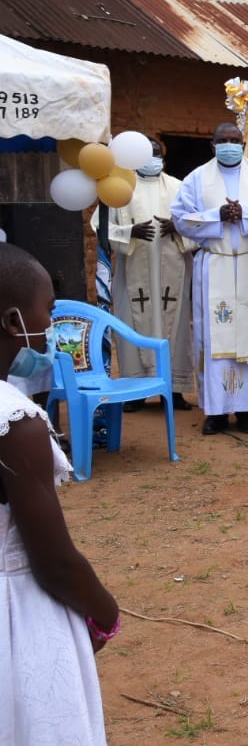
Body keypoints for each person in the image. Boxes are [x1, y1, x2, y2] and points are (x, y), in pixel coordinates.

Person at [0, 242, 118, 745]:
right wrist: (105, 612)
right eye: (48, 311)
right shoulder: (16, 423)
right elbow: (51, 561)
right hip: (17, 614)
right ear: (13, 321)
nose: (52, 326)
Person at [171, 122, 248, 435]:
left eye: (235, 140)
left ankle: (246, 411)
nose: (229, 144)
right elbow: (180, 218)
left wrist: (245, 216)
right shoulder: (196, 178)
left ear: (243, 144)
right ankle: (215, 411)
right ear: (212, 145)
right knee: (214, 339)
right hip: (214, 263)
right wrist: (216, 215)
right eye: (222, 140)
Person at [105, 136, 196, 412]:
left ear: (163, 158)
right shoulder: (121, 188)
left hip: (173, 268)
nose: (152, 158)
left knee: (177, 326)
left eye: (156, 153)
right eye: (146, 153)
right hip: (134, 270)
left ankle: (175, 389)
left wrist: (178, 228)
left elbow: (196, 223)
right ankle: (136, 389)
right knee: (132, 322)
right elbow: (100, 226)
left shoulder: (180, 188)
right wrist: (128, 232)